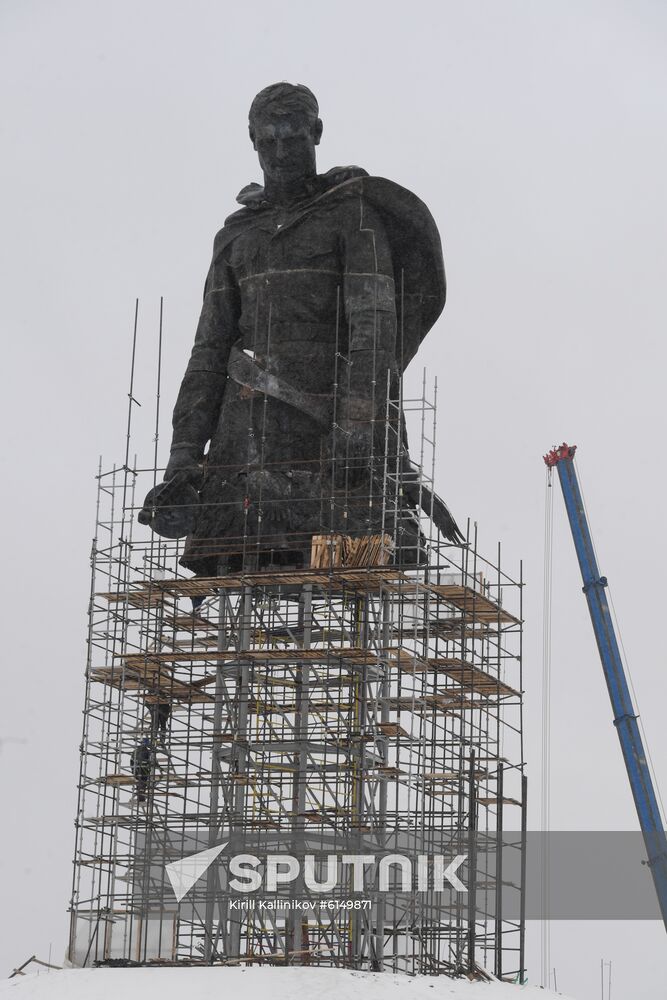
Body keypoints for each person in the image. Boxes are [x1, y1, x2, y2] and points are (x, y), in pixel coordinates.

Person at [139, 82, 460, 574]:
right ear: (252, 139)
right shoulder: (237, 235)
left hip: (328, 430)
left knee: (349, 576)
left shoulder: (353, 216)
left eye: (292, 140)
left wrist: (359, 421)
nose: (280, 153)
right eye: (268, 142)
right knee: (238, 589)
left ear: (317, 133)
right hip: (243, 441)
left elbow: (373, 327)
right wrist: (185, 448)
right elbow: (207, 350)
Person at [130, 737, 155, 804]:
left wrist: (133, 770)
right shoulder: (147, 751)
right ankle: (141, 798)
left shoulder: (135, 751)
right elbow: (150, 762)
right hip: (143, 771)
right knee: (142, 784)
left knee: (139, 784)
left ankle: (141, 797)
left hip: (136, 770)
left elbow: (131, 761)